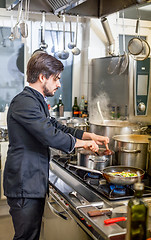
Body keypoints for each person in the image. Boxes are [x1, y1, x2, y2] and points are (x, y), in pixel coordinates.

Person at [3, 52, 109, 240]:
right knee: (26, 237)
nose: (59, 84)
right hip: (24, 183)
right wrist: (83, 144)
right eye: (56, 79)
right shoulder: (24, 102)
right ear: (43, 77)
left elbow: (54, 125)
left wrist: (88, 134)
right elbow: (50, 135)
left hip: (31, 179)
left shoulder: (35, 100)